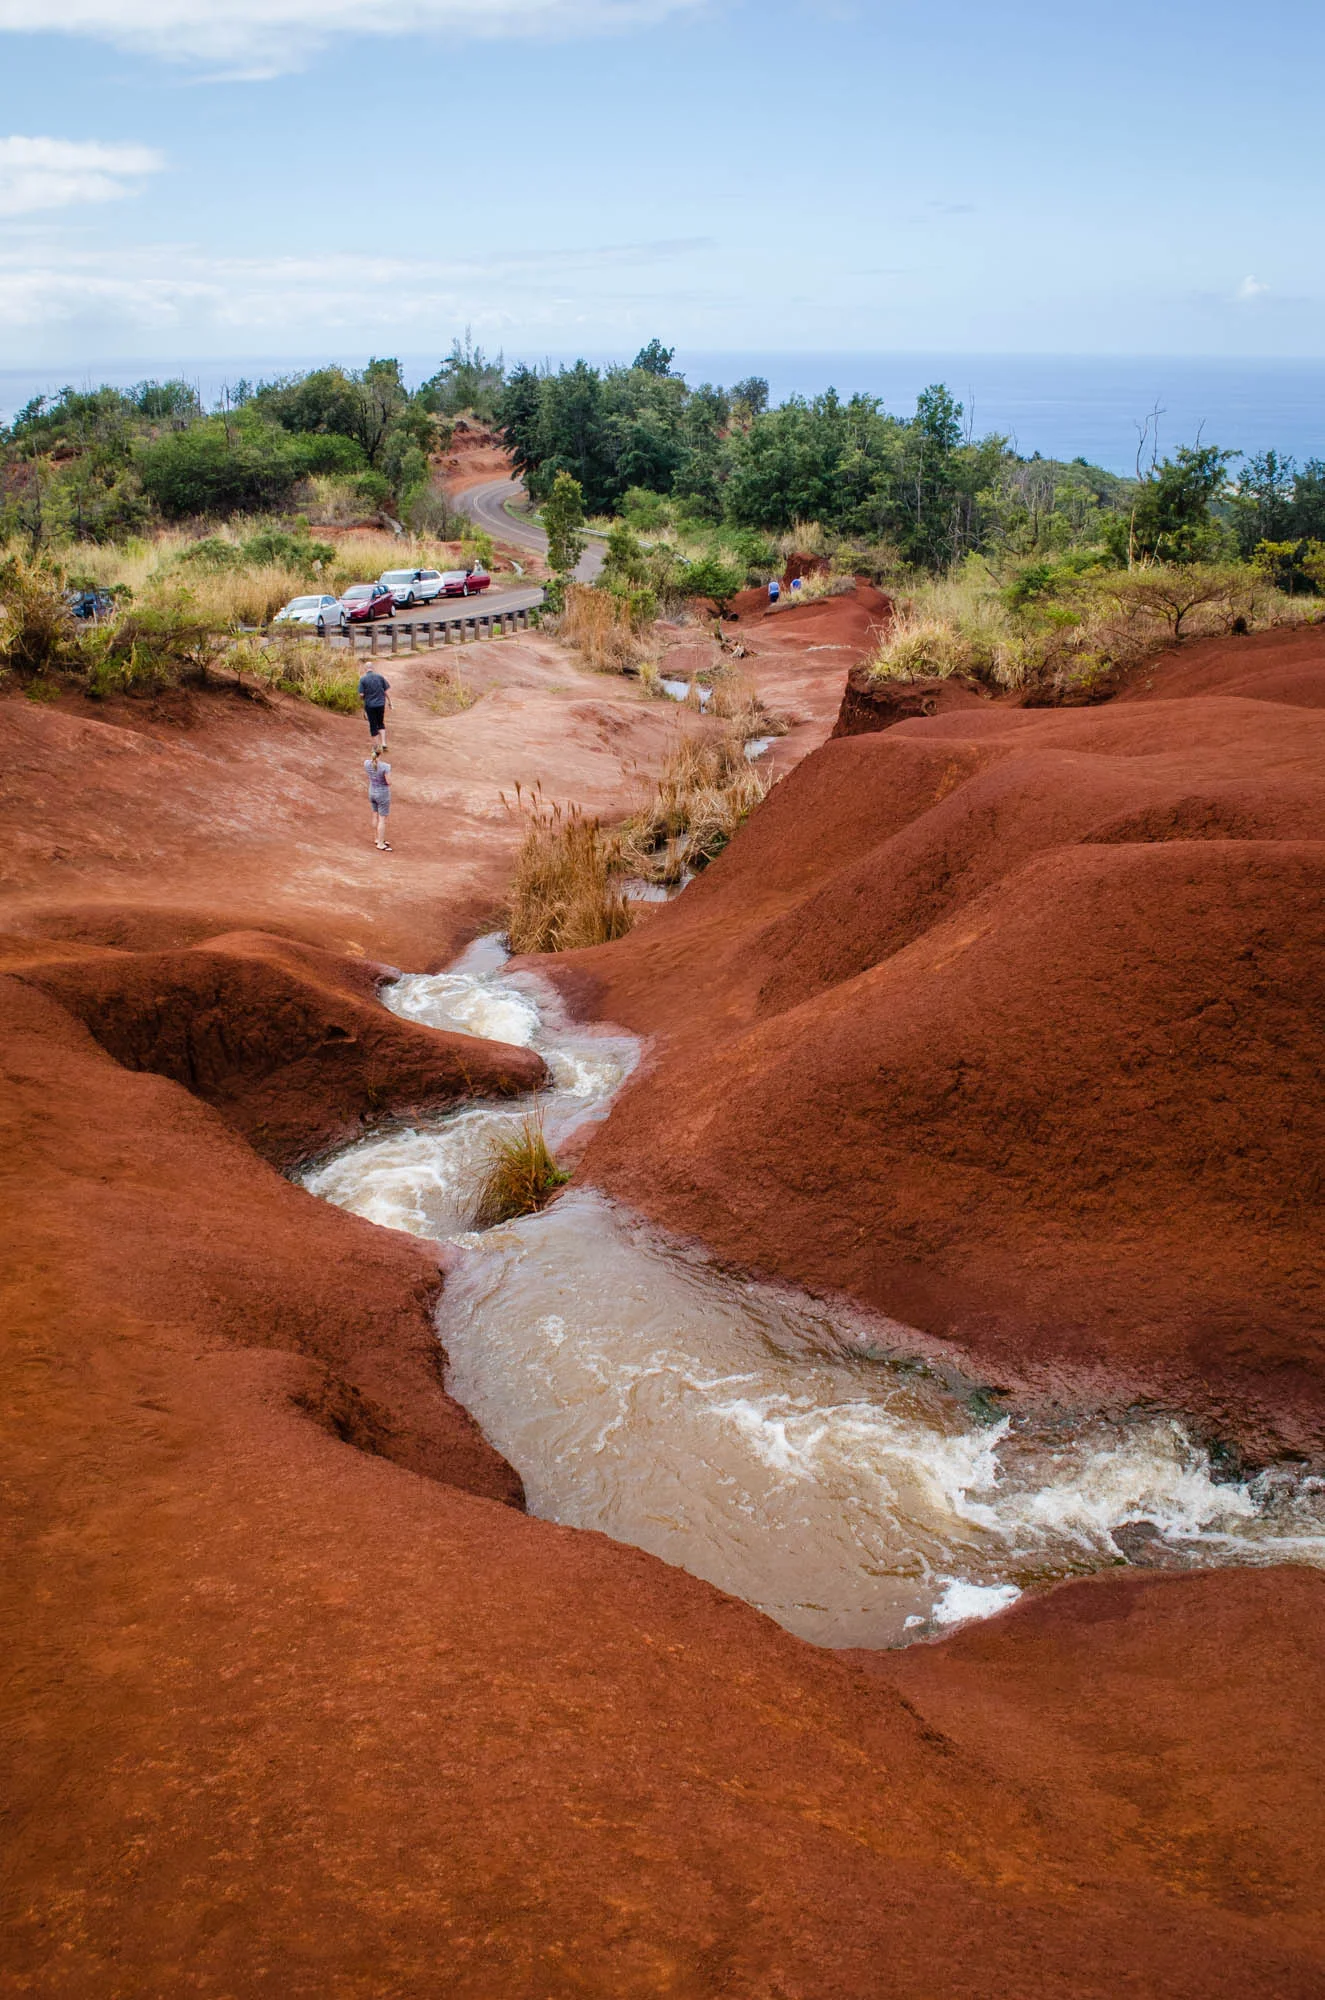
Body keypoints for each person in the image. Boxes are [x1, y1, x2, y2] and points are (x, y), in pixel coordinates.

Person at [365, 747, 392, 850]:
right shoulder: (385, 766)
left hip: (372, 791)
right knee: (382, 819)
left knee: (375, 815)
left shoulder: (366, 763)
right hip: (382, 794)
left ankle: (377, 838)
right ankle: (380, 844)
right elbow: (389, 782)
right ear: (380, 754)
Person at [358, 666, 391, 749]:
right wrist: (390, 702)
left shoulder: (363, 679)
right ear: (373, 668)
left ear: (365, 669)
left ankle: (376, 745)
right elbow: (385, 691)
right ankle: (384, 743)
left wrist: (362, 700)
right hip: (380, 704)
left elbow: (361, 694)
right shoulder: (380, 677)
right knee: (380, 723)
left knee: (373, 725)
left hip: (370, 705)